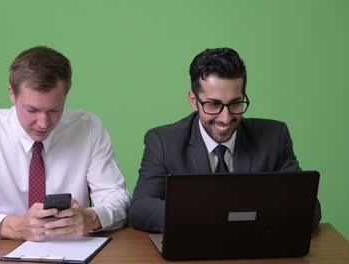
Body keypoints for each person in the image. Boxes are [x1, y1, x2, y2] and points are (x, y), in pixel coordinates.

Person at [0, 46, 130, 241]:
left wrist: (91, 218)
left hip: (73, 253)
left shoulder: (88, 128)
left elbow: (118, 199)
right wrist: (10, 225)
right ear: (11, 94)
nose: (43, 123)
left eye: (54, 110)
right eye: (32, 110)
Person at [129, 47, 321, 233]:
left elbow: (309, 207)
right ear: (194, 101)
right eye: (214, 104)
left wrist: (249, 221)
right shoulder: (163, 141)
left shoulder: (274, 137)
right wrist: (207, 219)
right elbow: (140, 208)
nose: (225, 118)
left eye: (235, 103)